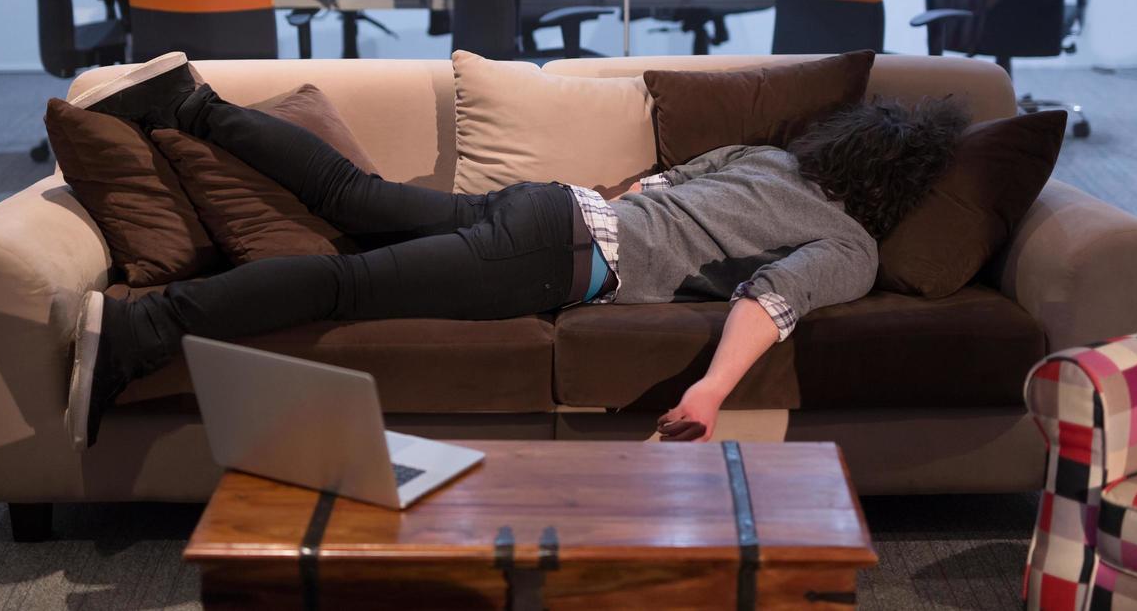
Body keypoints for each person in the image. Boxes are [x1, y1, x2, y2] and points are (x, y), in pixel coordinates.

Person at [64, 53, 969, 450]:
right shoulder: (848, 245)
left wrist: (646, 221)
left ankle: (187, 104)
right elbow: (768, 301)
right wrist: (710, 390)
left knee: (352, 201)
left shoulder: (770, 155)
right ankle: (142, 334)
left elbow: (661, 183)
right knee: (342, 285)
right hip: (553, 260)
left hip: (551, 209)